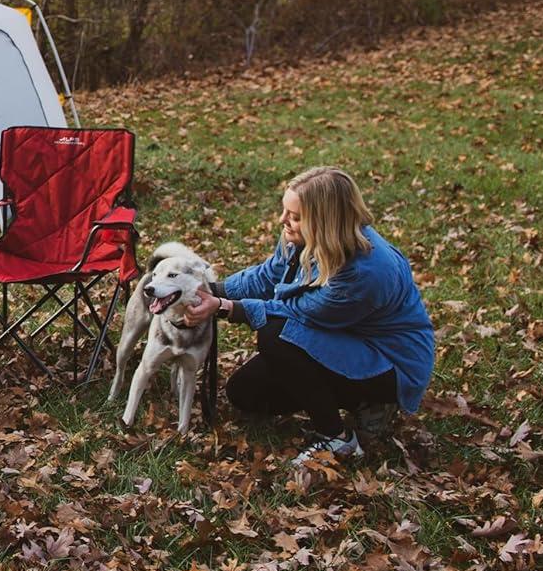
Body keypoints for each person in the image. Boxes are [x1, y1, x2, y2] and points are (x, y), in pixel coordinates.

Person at [185, 166, 435, 467]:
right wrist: (210, 289)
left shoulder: (367, 273)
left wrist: (225, 307)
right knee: (244, 393)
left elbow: (298, 314)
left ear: (325, 220)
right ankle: (358, 402)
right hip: (340, 338)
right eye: (284, 211)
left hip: (389, 361)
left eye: (295, 216)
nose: (283, 221)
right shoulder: (301, 237)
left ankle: (339, 436)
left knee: (275, 334)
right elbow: (269, 276)